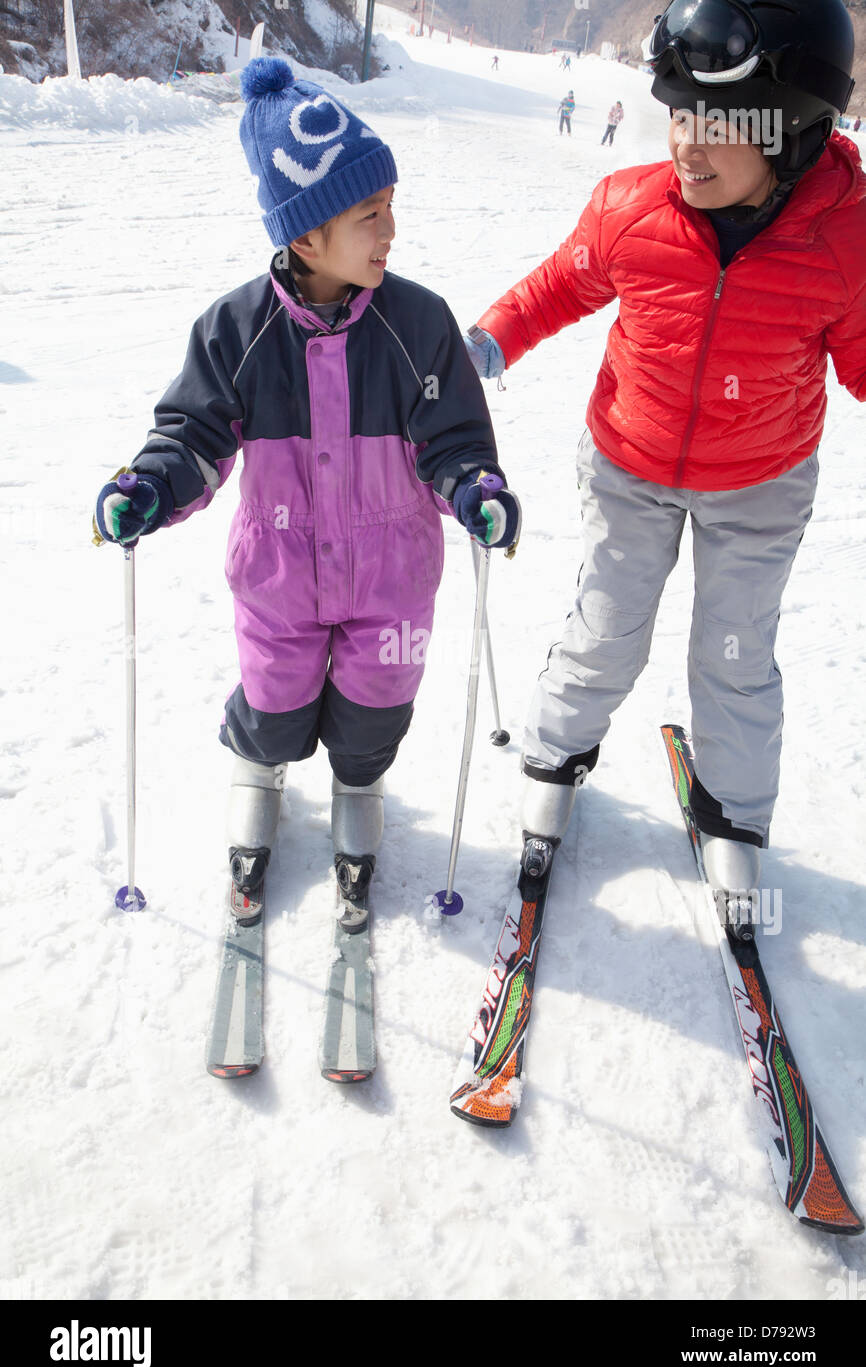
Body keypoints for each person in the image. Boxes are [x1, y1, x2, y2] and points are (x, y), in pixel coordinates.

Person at [462, 0, 864, 931]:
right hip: (630, 462)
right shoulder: (631, 207)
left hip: (761, 484)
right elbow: (562, 282)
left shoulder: (847, 239)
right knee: (607, 627)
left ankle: (733, 813)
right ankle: (555, 757)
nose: (688, 144)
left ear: (797, 134)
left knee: (733, 653)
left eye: (721, 126)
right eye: (679, 114)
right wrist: (492, 338)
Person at [93, 58, 520, 907]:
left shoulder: (419, 323)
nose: (390, 231)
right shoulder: (235, 330)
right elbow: (195, 433)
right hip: (280, 578)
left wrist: (475, 486)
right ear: (304, 235)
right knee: (275, 702)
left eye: (391, 206)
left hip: (391, 578)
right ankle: (258, 770)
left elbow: (455, 438)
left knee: (376, 706)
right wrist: (149, 485)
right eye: (369, 214)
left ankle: (359, 790)